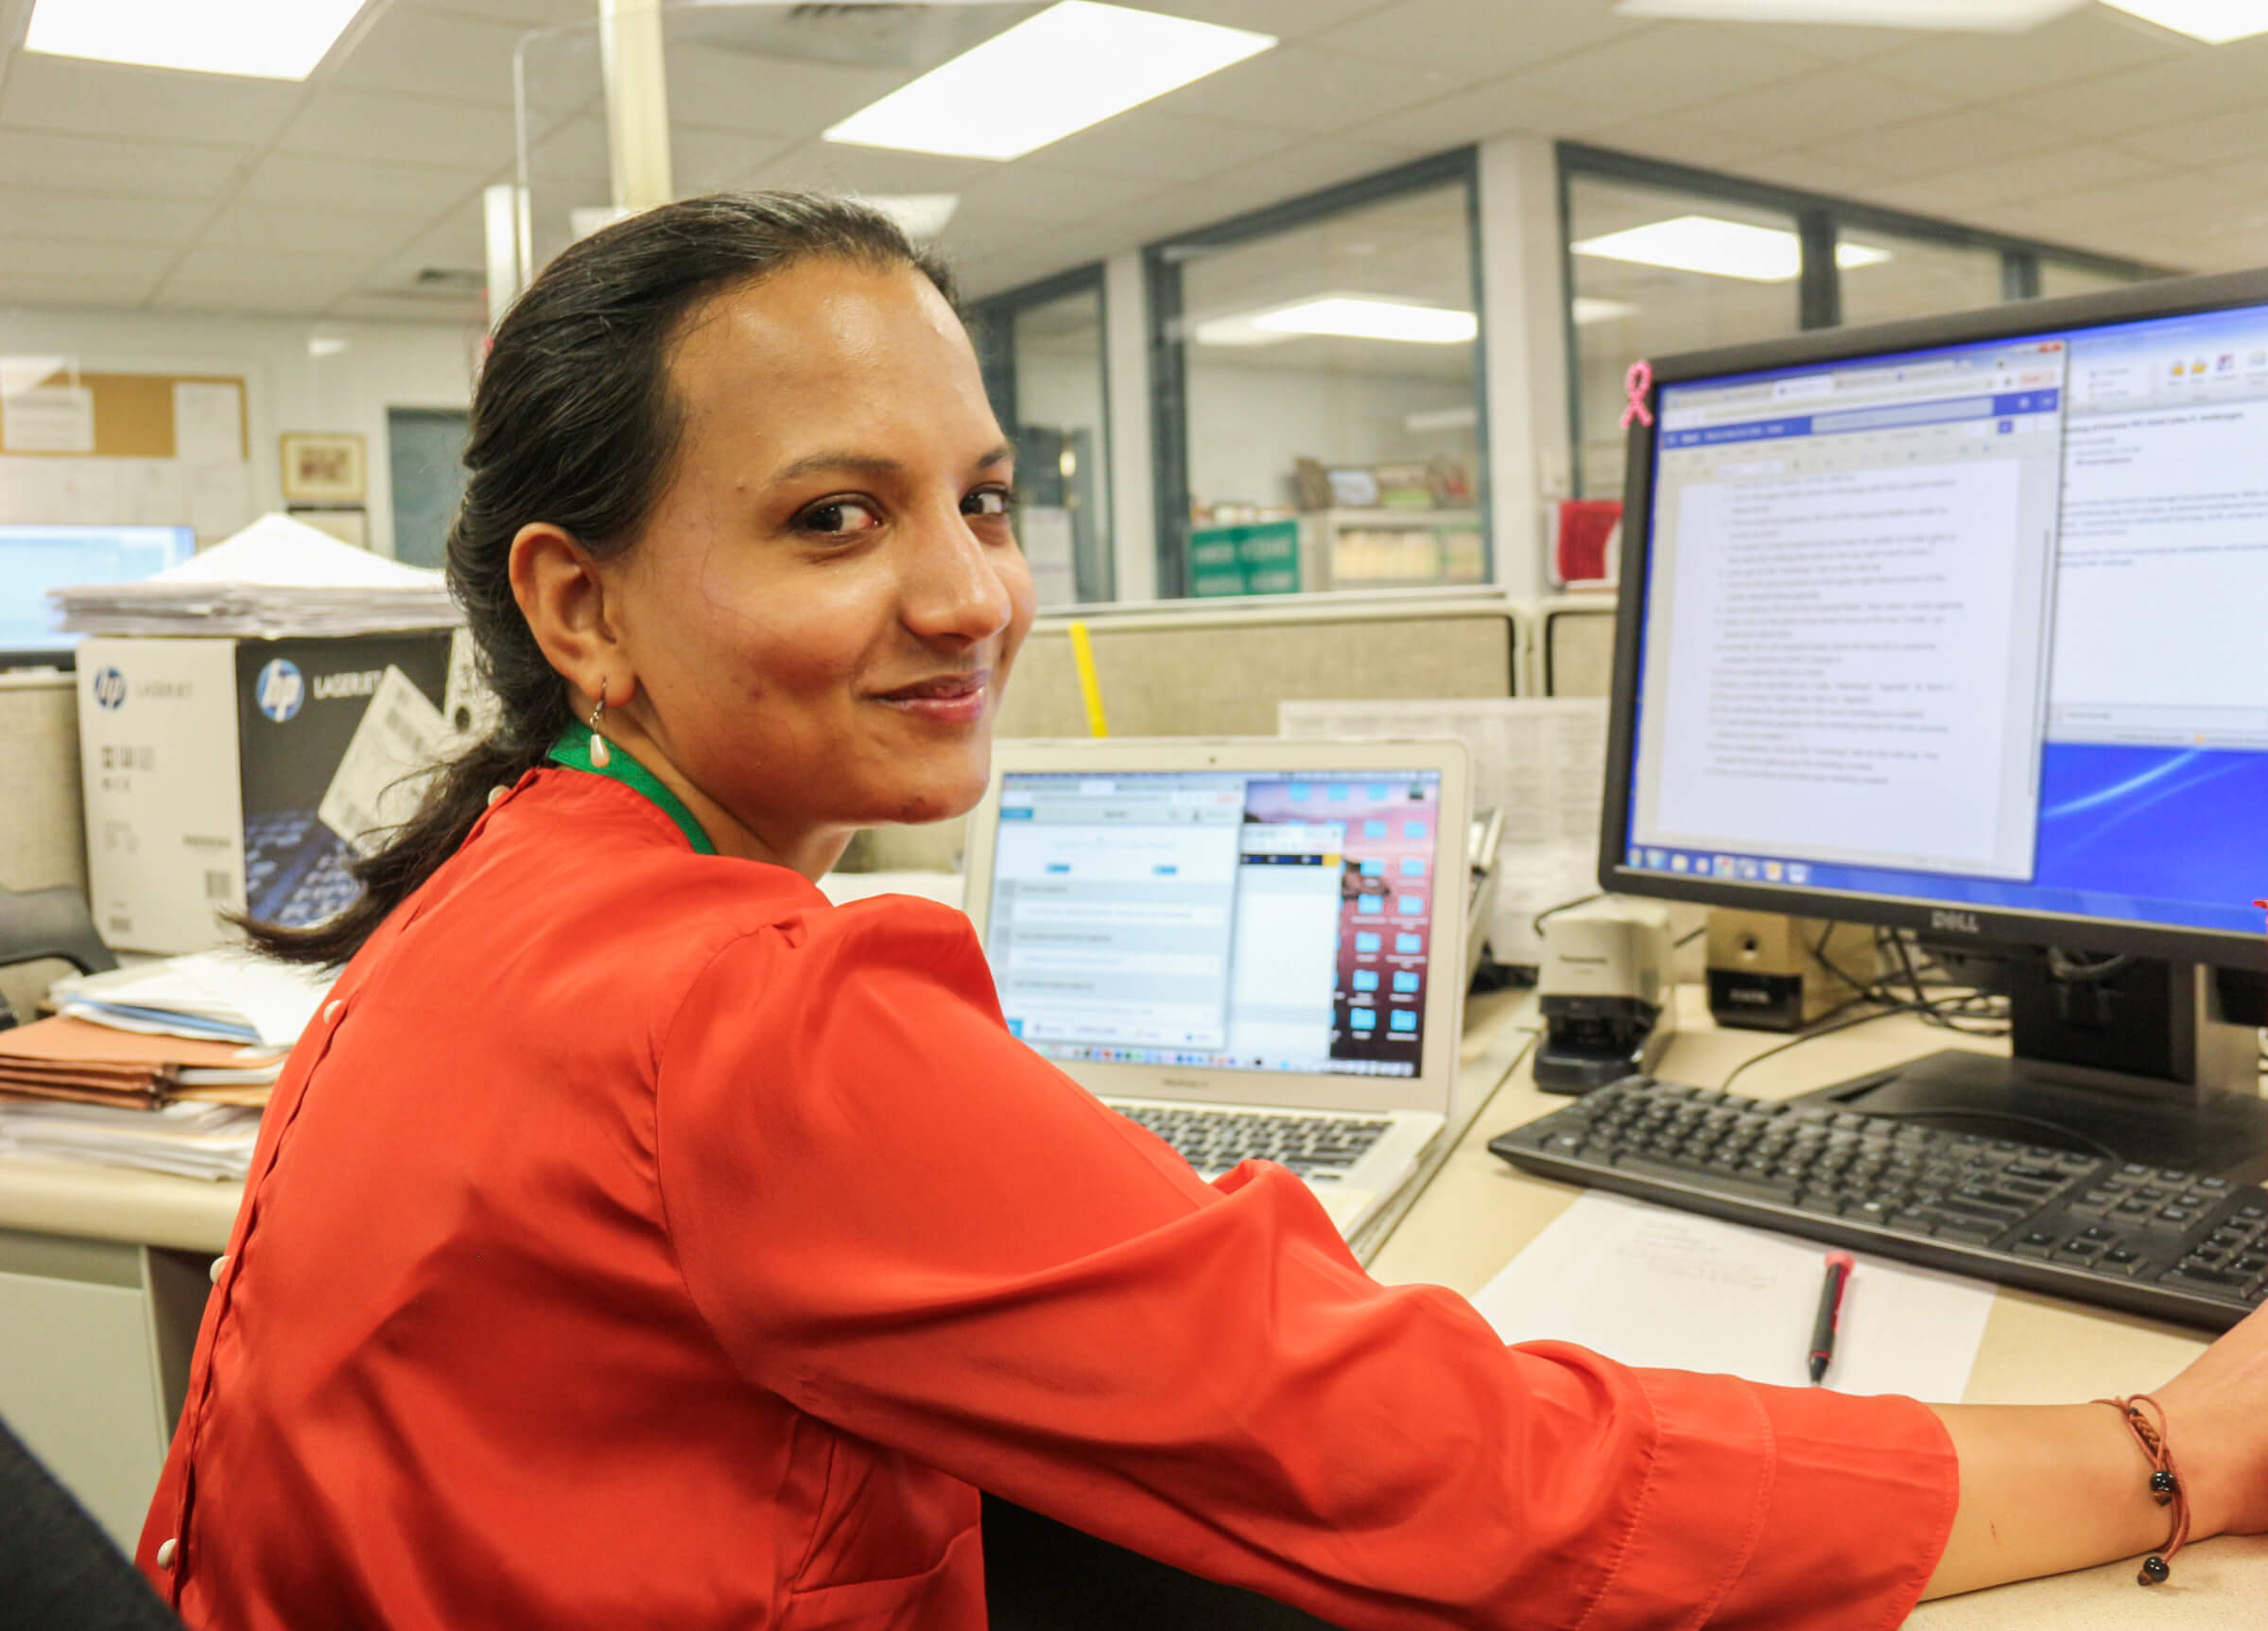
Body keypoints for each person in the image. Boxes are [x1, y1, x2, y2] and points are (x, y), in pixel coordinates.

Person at [136, 193, 2268, 1630]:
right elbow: (1466, 1471)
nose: (969, 592)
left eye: (980, 497)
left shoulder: (499, 880)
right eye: (830, 519)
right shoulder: (744, 1007)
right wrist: (2162, 1449)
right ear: (577, 601)